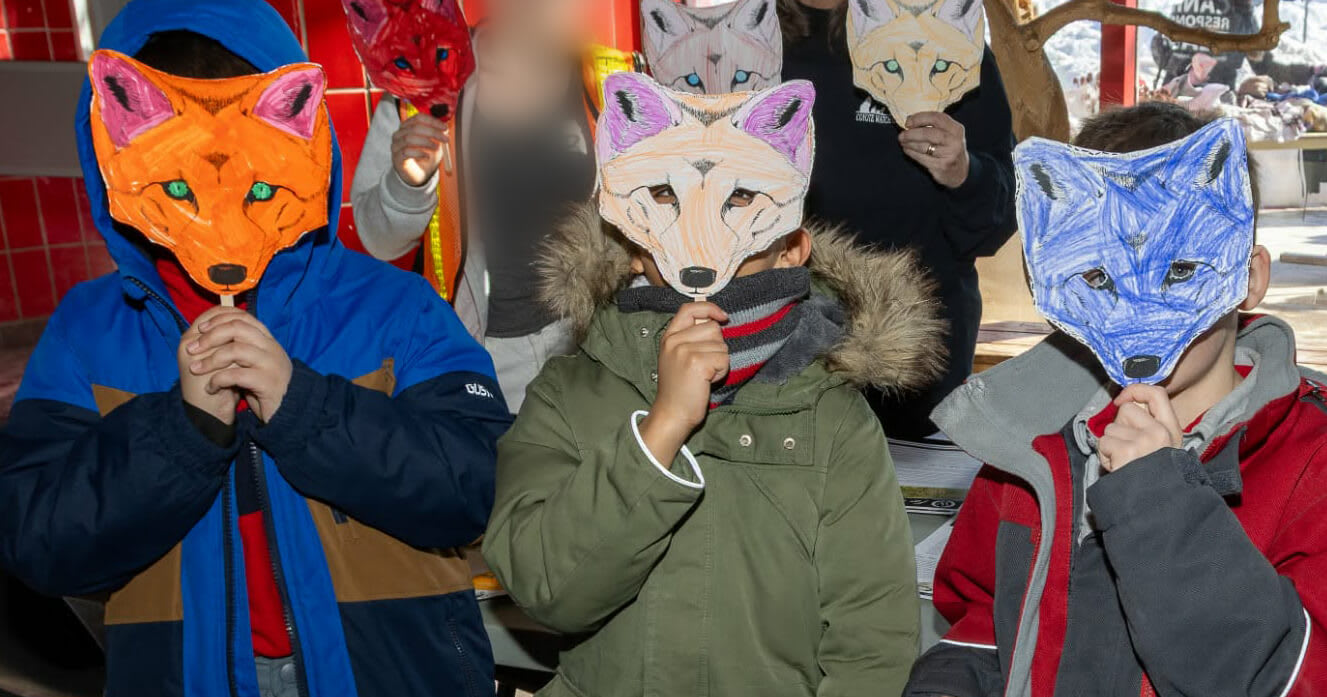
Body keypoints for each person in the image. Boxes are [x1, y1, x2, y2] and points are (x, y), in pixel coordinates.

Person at [0, 2, 510, 696]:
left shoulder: (394, 306)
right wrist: (181, 433)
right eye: (180, 183)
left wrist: (305, 405)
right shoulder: (89, 331)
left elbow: (476, 488)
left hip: (391, 669)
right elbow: (40, 540)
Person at [483, 74, 941, 697]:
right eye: (670, 212)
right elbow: (548, 592)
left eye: (738, 213)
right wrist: (661, 431)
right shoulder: (569, 394)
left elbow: (872, 644)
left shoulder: (832, 419)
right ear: (635, 248)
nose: (703, 254)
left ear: (793, 250)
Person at [905, 104, 1326, 696]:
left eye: (1179, 271)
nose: (1139, 316)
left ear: (1249, 277)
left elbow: (1290, 679)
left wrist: (1157, 496)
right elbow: (984, 620)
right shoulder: (1031, 438)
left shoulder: (1310, 463)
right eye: (1102, 279)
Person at [351, 0, 637, 413]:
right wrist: (408, 184)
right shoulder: (427, 78)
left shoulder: (613, 77)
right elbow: (378, 239)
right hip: (475, 357)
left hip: (593, 350)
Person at [778, 0, 1018, 440]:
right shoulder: (745, 44)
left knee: (920, 498)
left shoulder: (938, 40)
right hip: (786, 338)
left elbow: (1001, 214)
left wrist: (965, 173)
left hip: (920, 352)